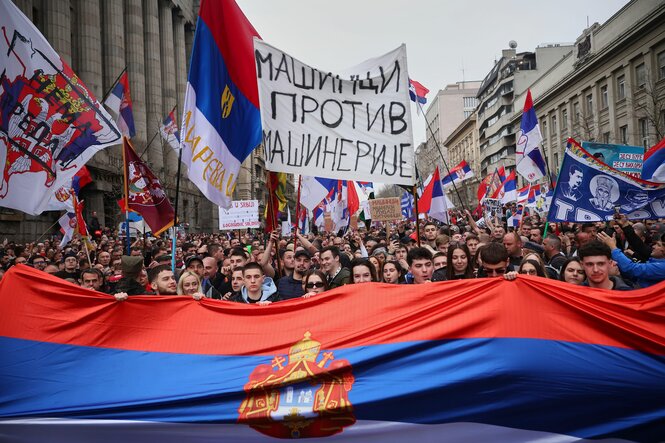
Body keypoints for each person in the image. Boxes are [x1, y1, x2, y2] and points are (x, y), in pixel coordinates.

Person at [597, 231, 665, 288]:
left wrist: (613, 247)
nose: (653, 247)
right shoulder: (654, 261)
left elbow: (631, 269)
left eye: (659, 245)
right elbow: (633, 276)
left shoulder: (663, 267)